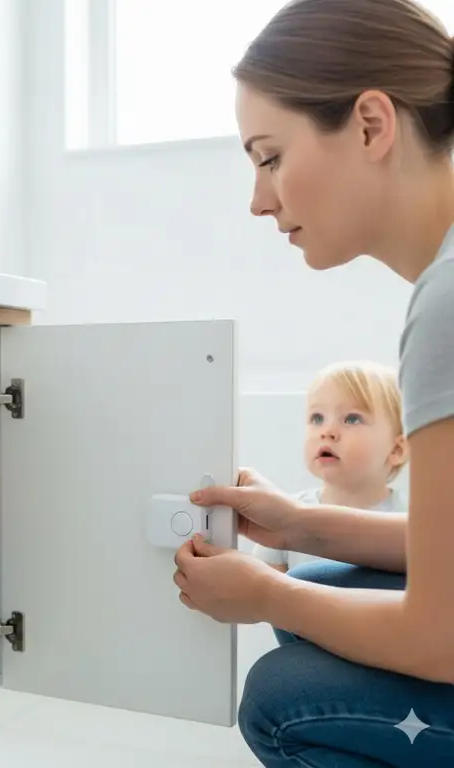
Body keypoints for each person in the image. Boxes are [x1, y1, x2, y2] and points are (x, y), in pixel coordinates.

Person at [170, 0, 454, 765]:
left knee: (281, 697)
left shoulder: (449, 300)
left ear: (370, 125)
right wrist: (296, 527)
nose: (259, 199)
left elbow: (441, 637)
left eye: (268, 157)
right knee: (320, 588)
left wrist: (265, 594)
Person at [254, 360, 408, 573]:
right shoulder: (282, 518)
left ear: (396, 450)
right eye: (317, 418)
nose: (327, 432)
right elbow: (259, 597)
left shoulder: (412, 520)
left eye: (352, 419)